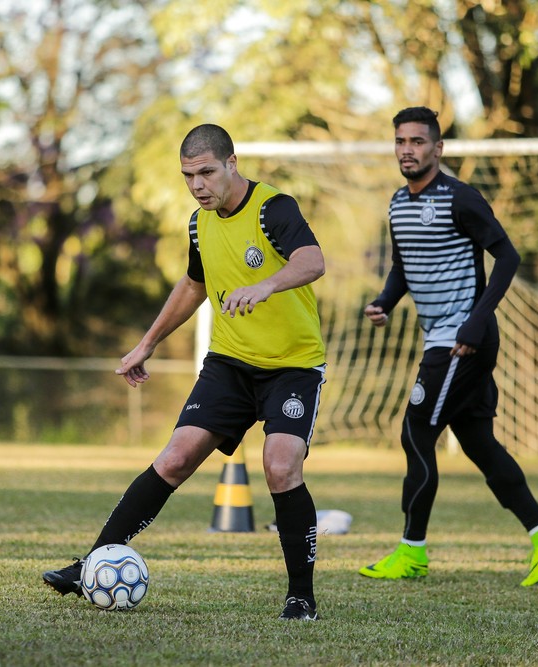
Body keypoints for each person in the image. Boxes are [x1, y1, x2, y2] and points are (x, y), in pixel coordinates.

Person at [42, 124, 328, 621]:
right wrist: (146, 345)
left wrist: (267, 285)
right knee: (174, 458)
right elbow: (195, 285)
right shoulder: (199, 223)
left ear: (232, 163)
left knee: (281, 467)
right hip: (229, 364)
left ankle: (300, 596)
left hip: (292, 367)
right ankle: (90, 562)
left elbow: (313, 260)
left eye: (206, 172)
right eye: (188, 175)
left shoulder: (272, 208)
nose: (198, 185)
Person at [358, 106, 538, 586]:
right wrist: (385, 302)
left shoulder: (461, 198)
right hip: (439, 336)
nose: (407, 150)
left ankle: (411, 551)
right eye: (400, 141)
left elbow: (507, 255)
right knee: (478, 443)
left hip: (461, 341)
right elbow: (403, 265)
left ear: (438, 148)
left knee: (415, 432)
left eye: (418, 141)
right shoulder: (397, 203)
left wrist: (476, 323)